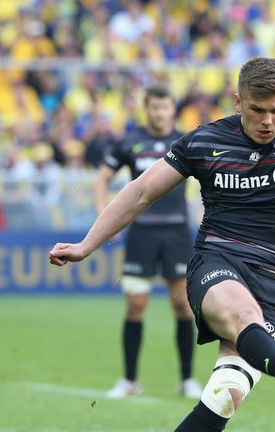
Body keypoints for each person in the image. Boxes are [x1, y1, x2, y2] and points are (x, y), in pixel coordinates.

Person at [49, 57, 275, 431]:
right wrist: (87, 244)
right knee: (241, 314)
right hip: (218, 261)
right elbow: (141, 192)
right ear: (238, 102)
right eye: (257, 110)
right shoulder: (203, 142)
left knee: (226, 395)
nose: (268, 121)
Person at [92, 85, 202, 399]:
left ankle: (186, 380)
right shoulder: (129, 142)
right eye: (154, 107)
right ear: (146, 108)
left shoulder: (186, 142)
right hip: (141, 232)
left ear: (173, 109)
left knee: (182, 305)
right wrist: (105, 217)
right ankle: (129, 380)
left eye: (165, 107)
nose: (160, 113)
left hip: (177, 231)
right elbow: (101, 178)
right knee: (135, 306)